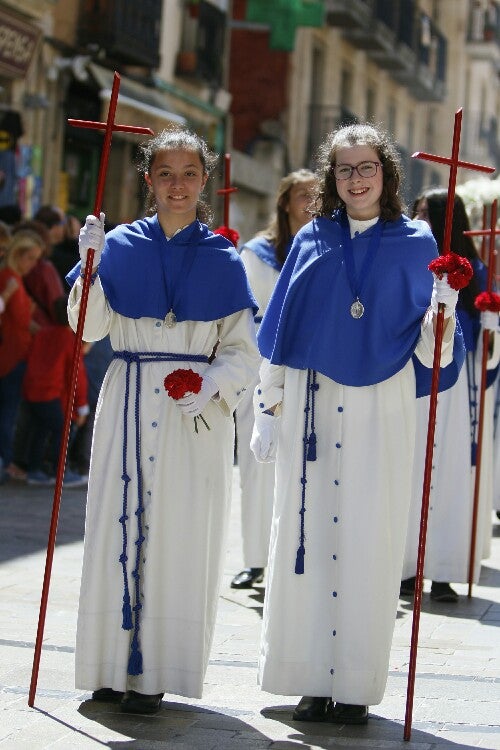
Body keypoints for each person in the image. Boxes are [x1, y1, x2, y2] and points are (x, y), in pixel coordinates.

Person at [249, 123, 465, 726]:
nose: (356, 179)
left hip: (382, 408)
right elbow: (283, 333)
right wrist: (266, 409)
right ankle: (309, 678)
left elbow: (435, 352)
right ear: (331, 177)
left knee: (370, 542)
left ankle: (354, 685)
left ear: (386, 174)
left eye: (366, 167)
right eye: (344, 169)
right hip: (313, 403)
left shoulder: (419, 242)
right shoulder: (312, 238)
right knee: (306, 541)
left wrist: (441, 309)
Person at [65, 126, 260, 715]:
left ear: (205, 182)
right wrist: (89, 267)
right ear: (148, 179)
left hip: (191, 414)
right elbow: (88, 330)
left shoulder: (224, 257)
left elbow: (243, 353)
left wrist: (212, 386)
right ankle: (105, 665)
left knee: (180, 533)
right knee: (113, 527)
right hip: (127, 396)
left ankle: (154, 673)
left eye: (190, 174)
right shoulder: (119, 243)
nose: (178, 185)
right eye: (166, 174)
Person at [401, 189, 500, 602]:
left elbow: (486, 350)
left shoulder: (475, 267)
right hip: (414, 374)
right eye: (417, 211)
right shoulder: (407, 257)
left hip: (455, 381)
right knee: (411, 467)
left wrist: (490, 320)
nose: (420, 218)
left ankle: (443, 569)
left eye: (427, 212)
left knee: (449, 471)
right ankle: (406, 567)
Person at [231, 168, 318, 590]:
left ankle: (294, 557)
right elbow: (247, 315)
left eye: (317, 195)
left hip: (308, 369)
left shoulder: (325, 248)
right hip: (262, 368)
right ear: (285, 201)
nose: (311, 202)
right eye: (303, 195)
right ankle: (254, 560)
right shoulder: (258, 253)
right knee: (256, 465)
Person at [21, 294, 89, 487]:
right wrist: (82, 405)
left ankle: (34, 470)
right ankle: (60, 473)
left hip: (31, 391)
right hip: (50, 393)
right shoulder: (69, 339)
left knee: (40, 430)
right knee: (63, 431)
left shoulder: (43, 333)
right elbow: (77, 375)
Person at [0, 231, 43, 481]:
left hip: (17, 354)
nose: (33, 264)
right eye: (30, 258)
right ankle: (6, 462)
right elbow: (19, 321)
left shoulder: (14, 279)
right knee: (8, 414)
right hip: (11, 356)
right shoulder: (10, 279)